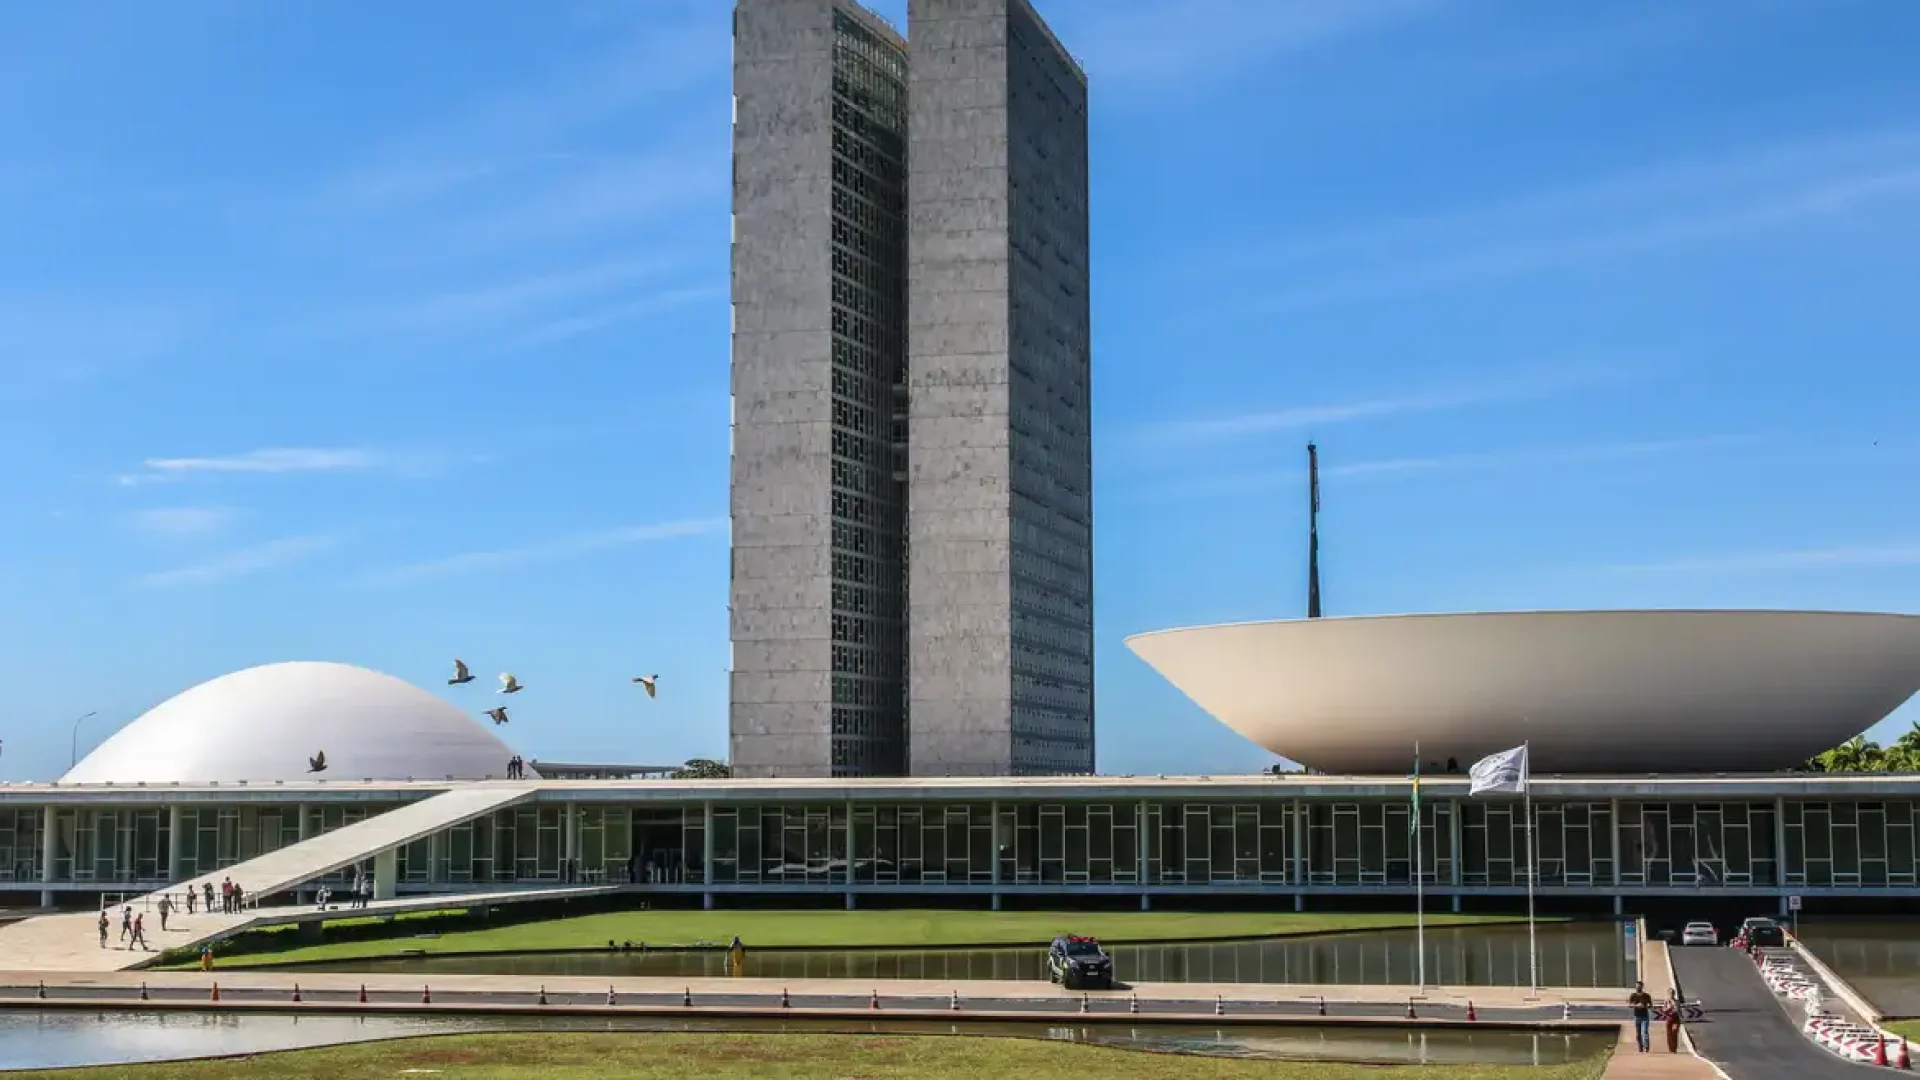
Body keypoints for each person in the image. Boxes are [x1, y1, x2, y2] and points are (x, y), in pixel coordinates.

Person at [1628, 981, 1654, 1053]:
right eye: (1636, 986)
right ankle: (1640, 1046)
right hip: (1637, 1016)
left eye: (1639, 986)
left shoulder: (1646, 996)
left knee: (1645, 1031)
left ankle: (1646, 1046)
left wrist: (1647, 1006)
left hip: (1645, 1016)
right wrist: (1636, 1005)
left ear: (1642, 987)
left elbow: (1650, 1005)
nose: (1638, 987)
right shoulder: (1633, 995)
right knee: (1638, 1033)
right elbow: (1629, 1005)